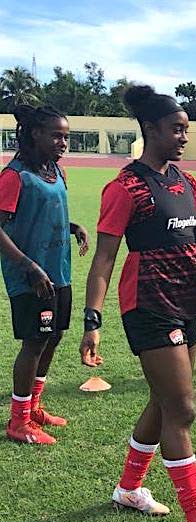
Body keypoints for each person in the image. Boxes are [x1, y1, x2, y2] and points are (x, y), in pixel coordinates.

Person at [80, 85, 196, 522]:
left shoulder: (186, 182)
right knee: (182, 408)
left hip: (186, 298)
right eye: (176, 129)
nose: (183, 137)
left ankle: (129, 489)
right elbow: (103, 259)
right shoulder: (124, 188)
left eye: (186, 130)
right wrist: (92, 321)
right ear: (151, 129)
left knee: (163, 402)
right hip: (149, 305)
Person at [0, 104, 89, 445]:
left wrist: (72, 227)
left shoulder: (56, 170)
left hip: (58, 272)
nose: (63, 143)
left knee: (53, 337)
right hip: (30, 277)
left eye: (66, 137)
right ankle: (18, 421)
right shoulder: (15, 176)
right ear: (35, 134)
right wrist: (29, 267)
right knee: (34, 342)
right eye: (57, 136)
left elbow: (40, 213)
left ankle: (34, 408)